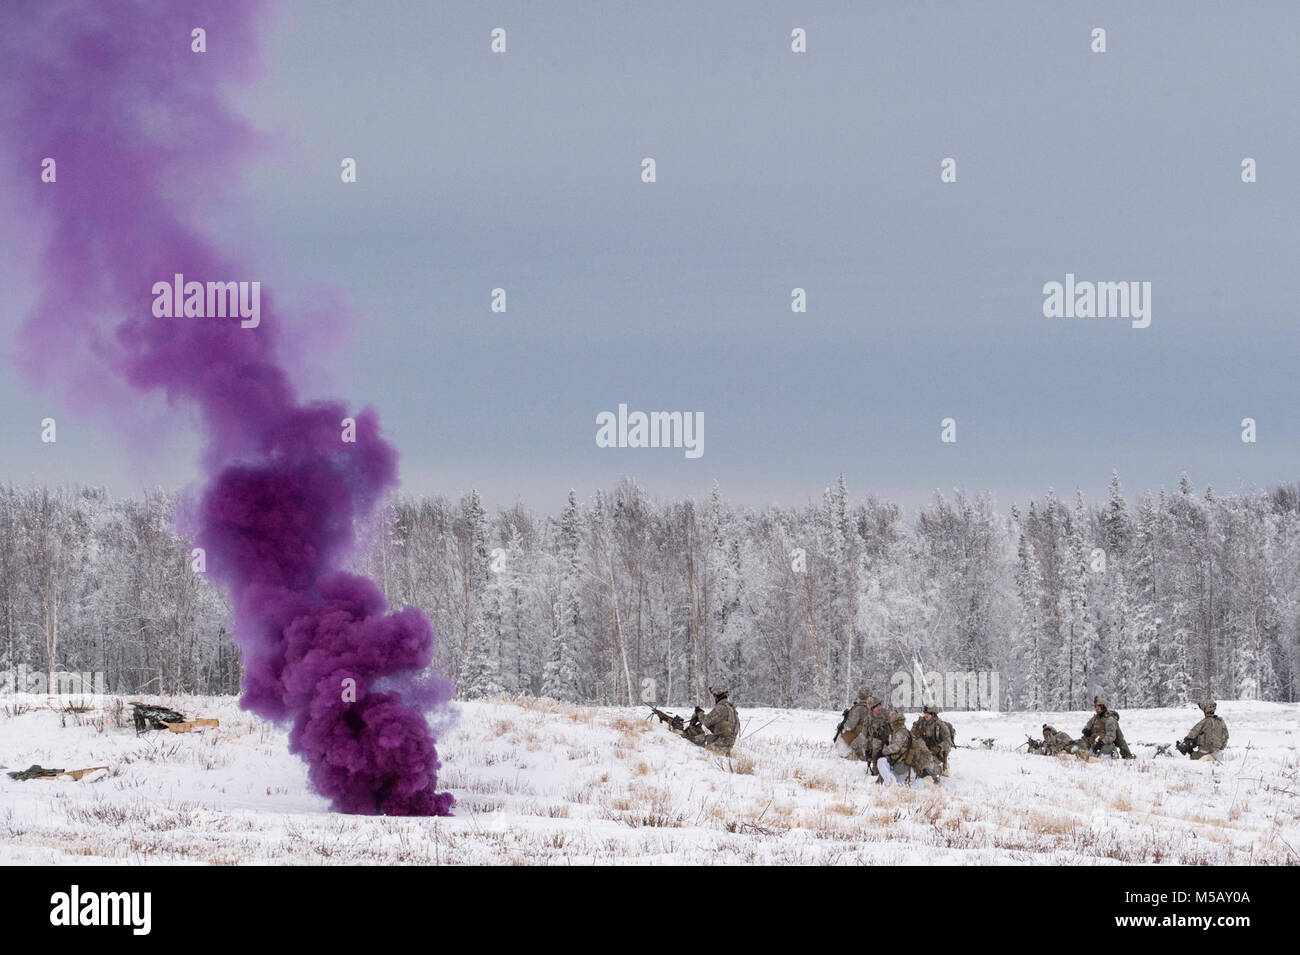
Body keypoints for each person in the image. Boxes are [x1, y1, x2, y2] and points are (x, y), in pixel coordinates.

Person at [911, 703, 953, 775]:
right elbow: (912, 734)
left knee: (926, 762)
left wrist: (939, 747)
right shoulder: (921, 722)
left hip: (936, 753)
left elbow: (948, 742)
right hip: (923, 749)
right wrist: (917, 733)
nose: (926, 715)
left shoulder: (940, 725)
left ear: (933, 714)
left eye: (929, 713)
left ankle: (939, 771)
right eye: (925, 713)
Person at [836, 685, 876, 760]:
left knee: (842, 739)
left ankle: (854, 756)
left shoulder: (859, 708)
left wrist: (842, 725)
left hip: (861, 735)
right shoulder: (874, 707)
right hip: (872, 736)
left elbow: (850, 726)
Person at [695, 685, 738, 753]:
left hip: (720, 744)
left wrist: (699, 713)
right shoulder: (731, 708)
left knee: (694, 741)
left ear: (717, 696)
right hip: (728, 744)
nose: (714, 698)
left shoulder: (721, 708)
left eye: (714, 696)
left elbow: (706, 721)